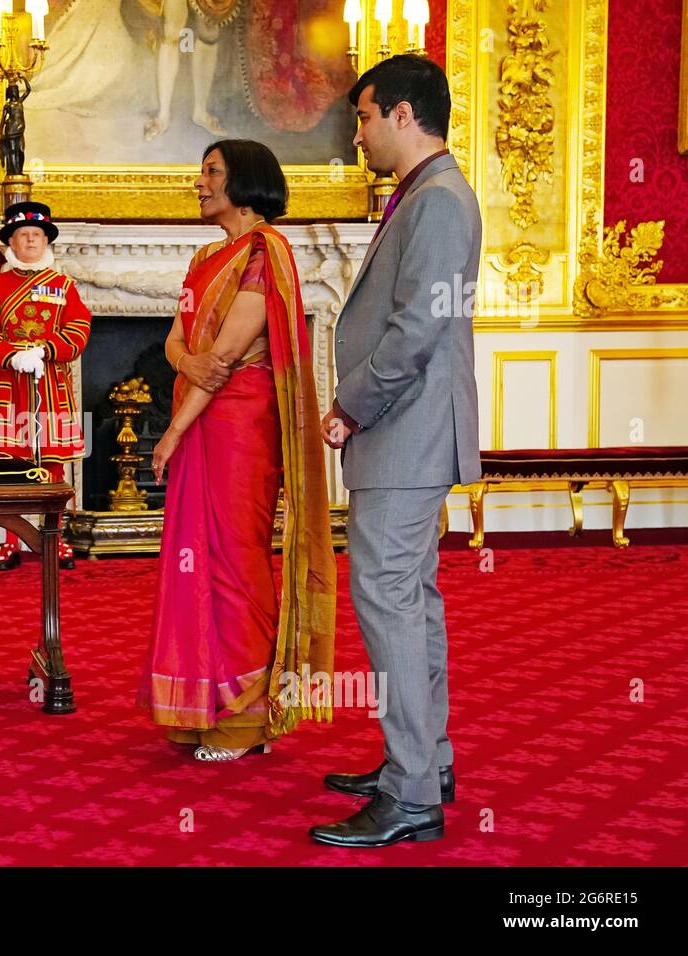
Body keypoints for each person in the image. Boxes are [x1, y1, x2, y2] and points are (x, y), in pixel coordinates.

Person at [309, 55, 482, 847]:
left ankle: (412, 794)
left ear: (404, 115)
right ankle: (424, 762)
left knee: (389, 606)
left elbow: (416, 330)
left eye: (366, 116)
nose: (359, 133)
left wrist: (350, 405)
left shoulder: (440, 200)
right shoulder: (426, 194)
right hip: (407, 434)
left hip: (404, 432)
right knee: (412, 601)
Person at [139, 140, 336, 760]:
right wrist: (186, 363)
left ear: (245, 180)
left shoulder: (264, 251)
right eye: (201, 170)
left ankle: (245, 718)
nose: (198, 182)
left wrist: (172, 432)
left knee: (233, 563)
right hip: (198, 415)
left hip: (238, 430)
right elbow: (177, 341)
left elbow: (224, 360)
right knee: (192, 559)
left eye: (212, 172)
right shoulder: (206, 255)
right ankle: (202, 707)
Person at [0, 201, 90, 571]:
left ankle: (54, 538)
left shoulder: (64, 286)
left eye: (37, 235)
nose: (31, 241)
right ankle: (9, 542)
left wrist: (49, 349)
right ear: (12, 244)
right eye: (24, 235)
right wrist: (11, 355)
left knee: (53, 466)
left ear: (46, 241)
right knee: (9, 468)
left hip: (51, 386)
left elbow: (79, 329)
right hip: (9, 387)